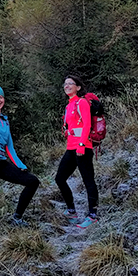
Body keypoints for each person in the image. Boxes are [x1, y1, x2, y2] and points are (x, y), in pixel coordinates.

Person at [0, 84, 40, 241]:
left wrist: (20, 165)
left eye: (0, 97)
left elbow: (9, 147)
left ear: (4, 99)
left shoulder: (5, 120)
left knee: (32, 182)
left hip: (1, 162)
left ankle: (17, 217)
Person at [55, 75, 99, 228]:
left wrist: (81, 144)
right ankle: (72, 210)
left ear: (78, 87)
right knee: (60, 178)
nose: (66, 86)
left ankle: (93, 215)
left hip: (83, 147)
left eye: (70, 84)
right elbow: (71, 126)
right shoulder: (69, 106)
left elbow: (86, 124)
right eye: (65, 84)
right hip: (71, 147)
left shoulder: (82, 102)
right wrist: (67, 131)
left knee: (88, 180)